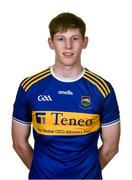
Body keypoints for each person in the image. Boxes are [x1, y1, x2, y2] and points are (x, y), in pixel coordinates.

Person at [12, 12, 120, 179]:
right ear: (51, 42)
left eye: (75, 39)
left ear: (85, 42)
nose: (68, 46)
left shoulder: (102, 89)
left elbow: (111, 148)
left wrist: (86, 173)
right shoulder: (30, 87)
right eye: (61, 39)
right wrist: (42, 172)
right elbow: (19, 144)